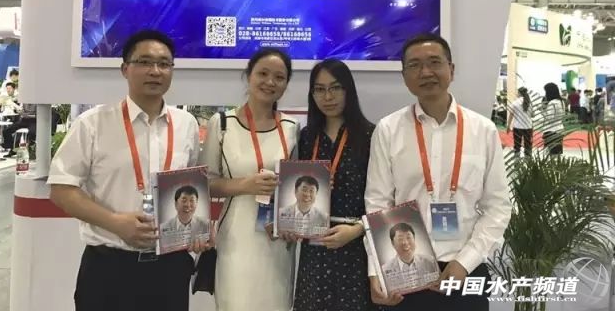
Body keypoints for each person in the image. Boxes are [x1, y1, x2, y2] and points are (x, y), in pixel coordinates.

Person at [48, 29, 209, 311]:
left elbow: (191, 186)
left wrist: (194, 231)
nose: (155, 71)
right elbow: (61, 189)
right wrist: (115, 222)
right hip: (108, 267)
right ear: (125, 69)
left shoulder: (187, 125)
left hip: (170, 267)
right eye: (144, 62)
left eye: (164, 64)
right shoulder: (93, 123)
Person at [365, 33, 511, 311]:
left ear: (451, 70)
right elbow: (377, 204)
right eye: (415, 65)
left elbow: (498, 207)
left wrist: (464, 262)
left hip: (466, 270)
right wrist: (376, 268)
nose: (426, 72)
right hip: (407, 274)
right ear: (404, 76)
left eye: (434, 62)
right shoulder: (388, 130)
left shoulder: (483, 130)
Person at [200, 48, 299, 311]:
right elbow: (205, 184)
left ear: (286, 84)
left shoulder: (292, 128)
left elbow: (297, 183)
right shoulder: (222, 123)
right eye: (263, 73)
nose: (270, 82)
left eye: (279, 77)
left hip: (277, 240)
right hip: (236, 238)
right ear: (248, 76)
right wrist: (244, 185)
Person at [294, 58, 377, 311]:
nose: (327, 97)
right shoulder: (306, 137)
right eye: (319, 89)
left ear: (348, 90)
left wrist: (357, 230)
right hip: (314, 249)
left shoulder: (370, 135)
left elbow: (384, 197)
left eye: (335, 88)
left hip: (355, 246)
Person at [382, 223, 440, 289]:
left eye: (408, 237)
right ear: (393, 243)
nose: (405, 242)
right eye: (400, 239)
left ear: (414, 239)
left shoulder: (430, 261)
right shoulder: (385, 270)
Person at [506, 87, 533, 157]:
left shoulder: (515, 103)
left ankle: (517, 159)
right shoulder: (529, 102)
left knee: (517, 145)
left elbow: (511, 115)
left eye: (517, 92)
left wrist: (508, 126)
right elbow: (533, 115)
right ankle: (528, 158)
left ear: (519, 93)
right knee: (528, 144)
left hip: (517, 127)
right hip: (528, 126)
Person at [542, 82, 565, 155]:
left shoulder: (552, 103)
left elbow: (550, 118)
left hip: (551, 130)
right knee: (557, 153)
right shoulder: (561, 101)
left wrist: (542, 111)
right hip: (559, 129)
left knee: (550, 154)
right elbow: (563, 115)